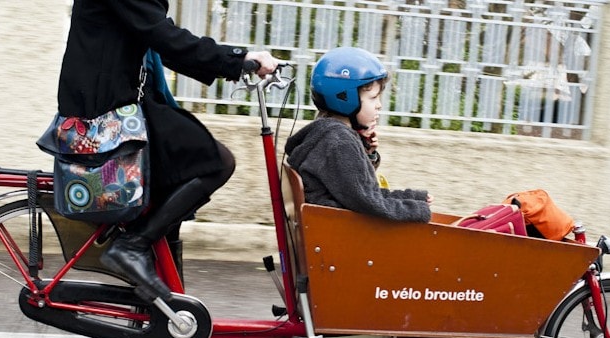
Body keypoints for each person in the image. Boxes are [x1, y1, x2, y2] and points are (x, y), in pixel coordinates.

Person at [57, 0, 279, 303]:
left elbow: (160, 41)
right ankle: (131, 246)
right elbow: (164, 36)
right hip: (108, 116)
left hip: (120, 107)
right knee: (217, 162)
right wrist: (238, 58)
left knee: (177, 180)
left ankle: (171, 304)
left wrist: (234, 63)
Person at [285, 47, 432, 223]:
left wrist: (413, 196)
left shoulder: (327, 133)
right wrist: (417, 209)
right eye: (373, 98)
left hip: (331, 227)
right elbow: (369, 202)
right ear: (345, 98)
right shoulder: (339, 142)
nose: (379, 105)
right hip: (340, 233)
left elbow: (359, 188)